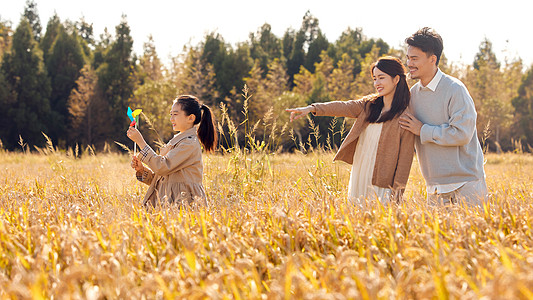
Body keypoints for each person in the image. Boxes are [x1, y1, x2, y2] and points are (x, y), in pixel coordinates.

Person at [287, 56, 415, 205]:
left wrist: (397, 196)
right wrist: (313, 108)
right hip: (360, 173)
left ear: (396, 79)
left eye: (381, 78)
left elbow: (405, 162)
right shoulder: (369, 106)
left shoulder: (405, 118)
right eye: (374, 79)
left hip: (382, 181)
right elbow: (344, 106)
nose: (377, 83)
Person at [399, 27, 488, 207]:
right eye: (408, 58)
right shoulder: (412, 95)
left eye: (414, 58)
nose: (409, 63)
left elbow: (462, 134)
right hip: (435, 189)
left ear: (433, 59)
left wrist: (422, 130)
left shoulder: (455, 89)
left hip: (466, 185)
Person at [126, 95, 217, 208]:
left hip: (185, 205)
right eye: (171, 115)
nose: (171, 119)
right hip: (169, 203)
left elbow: (162, 166)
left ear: (191, 118)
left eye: (175, 114)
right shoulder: (176, 142)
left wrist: (141, 142)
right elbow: (162, 179)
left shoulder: (189, 144)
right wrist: (142, 169)